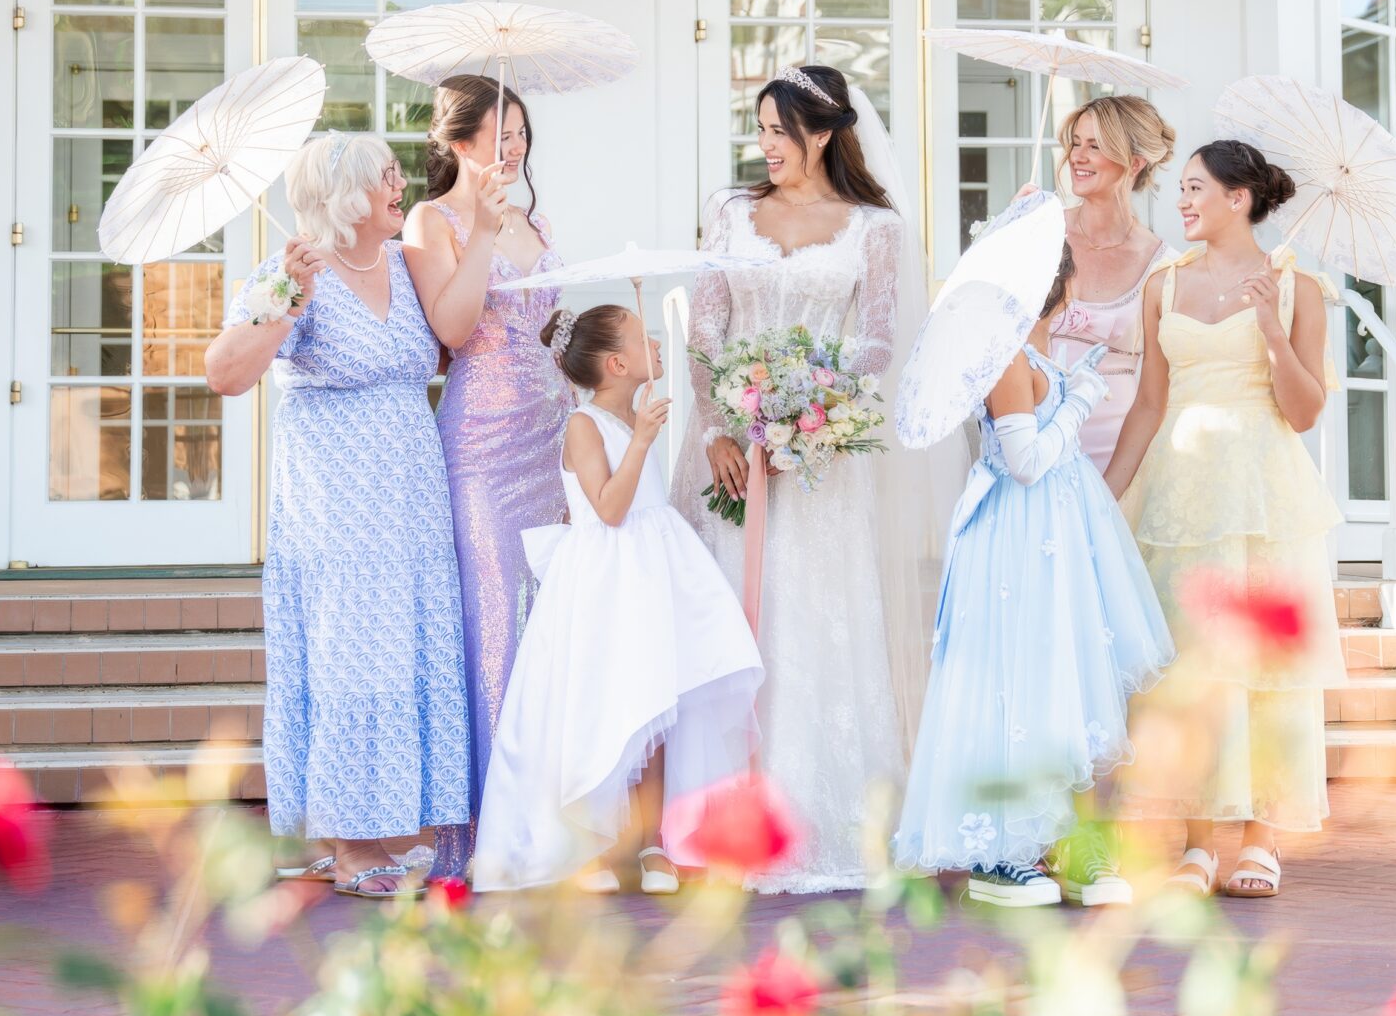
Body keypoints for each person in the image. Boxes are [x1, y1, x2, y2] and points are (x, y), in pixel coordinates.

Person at [671, 64, 933, 893]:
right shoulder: (729, 212)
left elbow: (879, 341)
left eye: (780, 132)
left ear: (821, 135)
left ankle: (823, 821)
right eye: (761, 131)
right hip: (732, 459)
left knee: (818, 622)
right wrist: (721, 425)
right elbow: (704, 328)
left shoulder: (873, 229)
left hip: (822, 462)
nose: (766, 146)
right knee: (737, 622)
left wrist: (807, 411)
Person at [204, 135, 472, 896]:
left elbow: (443, 351)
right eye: (386, 178)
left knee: (405, 649)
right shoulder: (295, 272)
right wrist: (283, 300)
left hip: (411, 499)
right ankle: (349, 844)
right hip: (339, 503)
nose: (401, 187)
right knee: (352, 654)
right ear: (347, 195)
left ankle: (396, 826)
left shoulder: (401, 264)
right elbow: (225, 373)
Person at [894, 244, 1173, 907]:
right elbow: (1023, 459)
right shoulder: (1007, 360)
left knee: (1058, 675)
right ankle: (1000, 849)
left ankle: (1057, 840)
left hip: (1054, 536)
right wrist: (1078, 403)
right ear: (1063, 293)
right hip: (1016, 540)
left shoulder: (1038, 358)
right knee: (1013, 676)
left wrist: (1072, 388)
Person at [1105, 139, 1344, 899]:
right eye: (1179, 189)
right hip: (1177, 490)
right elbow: (1147, 402)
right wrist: (1105, 501)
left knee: (1264, 664)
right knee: (1191, 664)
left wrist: (1270, 327)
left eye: (1193, 188)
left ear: (1237, 199)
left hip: (1262, 491)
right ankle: (1199, 845)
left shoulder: (1298, 286)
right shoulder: (1162, 285)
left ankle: (1259, 839)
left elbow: (1304, 413)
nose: (1180, 202)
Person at [475, 305, 762, 895]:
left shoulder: (634, 416)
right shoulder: (584, 424)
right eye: (642, 335)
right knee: (602, 705)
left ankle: (652, 839)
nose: (656, 341)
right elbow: (608, 507)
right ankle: (590, 844)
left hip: (652, 575)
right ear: (618, 363)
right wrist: (643, 440)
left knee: (657, 702)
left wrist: (644, 431)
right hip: (605, 582)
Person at [403, 75, 567, 880]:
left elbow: (550, 323)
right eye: (500, 135)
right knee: (494, 627)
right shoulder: (428, 221)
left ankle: (549, 822)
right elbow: (454, 328)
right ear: (458, 143)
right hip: (479, 448)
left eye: (522, 133)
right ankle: (486, 836)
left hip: (551, 440)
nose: (514, 147)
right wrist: (483, 236)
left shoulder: (536, 221)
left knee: (549, 629)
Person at [1047, 94, 1178, 469]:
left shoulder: (1162, 266)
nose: (1077, 156)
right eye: (1076, 143)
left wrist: (1115, 490)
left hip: (1114, 449)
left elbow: (1156, 398)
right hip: (1031, 435)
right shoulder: (1041, 231)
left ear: (1135, 162)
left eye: (1095, 146)